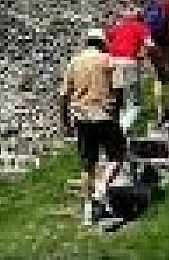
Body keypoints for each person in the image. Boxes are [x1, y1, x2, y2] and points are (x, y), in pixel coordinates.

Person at [59, 28, 126, 226]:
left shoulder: (74, 62)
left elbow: (64, 95)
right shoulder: (108, 61)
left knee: (87, 164)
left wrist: (65, 121)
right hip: (104, 114)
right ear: (101, 42)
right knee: (117, 156)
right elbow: (119, 90)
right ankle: (101, 189)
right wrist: (116, 112)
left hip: (81, 116)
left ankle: (88, 210)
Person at [105, 0, 154, 134]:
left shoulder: (118, 26)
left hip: (113, 63)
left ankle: (115, 128)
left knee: (119, 99)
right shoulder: (140, 27)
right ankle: (122, 130)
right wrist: (142, 55)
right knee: (134, 102)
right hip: (129, 62)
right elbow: (150, 45)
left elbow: (107, 40)